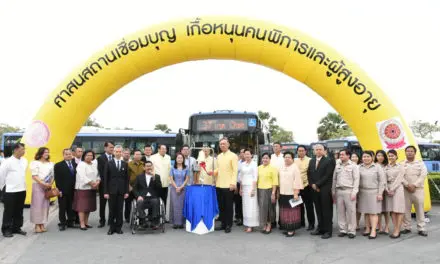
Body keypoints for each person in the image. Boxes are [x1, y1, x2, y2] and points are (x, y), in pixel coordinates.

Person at [308, 144, 335, 239]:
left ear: (324, 151)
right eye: (316, 149)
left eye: (320, 149)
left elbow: (327, 175)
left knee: (326, 210)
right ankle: (320, 228)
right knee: (318, 210)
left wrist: (317, 184)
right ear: (314, 151)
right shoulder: (311, 161)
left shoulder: (329, 161)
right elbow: (309, 174)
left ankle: (328, 231)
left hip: (325, 189)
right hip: (314, 189)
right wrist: (312, 184)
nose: (318, 151)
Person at [0, 143, 27, 238]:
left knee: (19, 210)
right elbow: (1, 175)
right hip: (10, 190)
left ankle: (17, 227)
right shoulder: (8, 162)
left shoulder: (24, 161)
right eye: (22, 149)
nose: (24, 151)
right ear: (15, 150)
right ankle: (6, 229)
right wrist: (2, 188)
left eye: (24, 149)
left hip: (22, 189)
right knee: (9, 211)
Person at [332, 149, 360, 239]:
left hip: (349, 191)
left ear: (348, 156)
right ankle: (342, 230)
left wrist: (354, 192)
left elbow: (356, 179)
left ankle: (352, 230)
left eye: (343, 155)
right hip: (339, 190)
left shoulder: (354, 166)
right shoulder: (337, 166)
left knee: (351, 212)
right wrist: (333, 191)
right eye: (340, 155)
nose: (341, 156)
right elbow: (334, 179)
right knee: (340, 211)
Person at [358, 150, 386, 239]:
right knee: (365, 212)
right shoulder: (359, 167)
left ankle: (373, 230)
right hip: (362, 192)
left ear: (372, 158)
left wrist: (380, 193)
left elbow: (382, 181)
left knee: (373, 212)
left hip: (374, 192)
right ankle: (367, 228)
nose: (365, 158)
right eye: (364, 157)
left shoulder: (377, 167)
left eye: (368, 156)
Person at [401, 145, 428, 237]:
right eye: (407, 151)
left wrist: (414, 185)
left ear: (415, 153)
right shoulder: (402, 163)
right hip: (406, 190)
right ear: (405, 152)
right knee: (406, 210)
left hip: (418, 190)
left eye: (411, 151)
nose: (409, 152)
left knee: (420, 210)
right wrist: (407, 185)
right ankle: (407, 227)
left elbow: (423, 175)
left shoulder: (420, 163)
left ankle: (421, 228)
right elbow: (400, 176)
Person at [213, 138, 238, 233]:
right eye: (220, 144)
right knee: (221, 206)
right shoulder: (219, 156)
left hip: (228, 185)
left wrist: (233, 183)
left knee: (228, 206)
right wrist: (212, 172)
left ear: (228, 145)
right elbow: (218, 169)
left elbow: (235, 171)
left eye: (224, 144)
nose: (222, 145)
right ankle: (223, 224)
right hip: (219, 184)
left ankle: (228, 225)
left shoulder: (233, 156)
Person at [103, 145, 129, 235]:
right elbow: (105, 178)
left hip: (121, 191)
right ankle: (111, 227)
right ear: (113, 152)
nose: (118, 153)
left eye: (120, 152)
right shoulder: (108, 163)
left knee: (120, 209)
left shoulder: (125, 164)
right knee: (111, 210)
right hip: (111, 191)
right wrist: (105, 192)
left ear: (122, 153)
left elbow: (127, 179)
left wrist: (126, 191)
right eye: (116, 151)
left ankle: (119, 227)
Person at [73, 150, 100, 230]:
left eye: (91, 155)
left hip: (92, 188)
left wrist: (98, 182)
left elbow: (98, 175)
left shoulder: (93, 164)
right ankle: (82, 224)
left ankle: (86, 222)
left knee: (88, 207)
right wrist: (92, 183)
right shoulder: (81, 164)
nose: (89, 157)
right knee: (82, 207)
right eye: (87, 155)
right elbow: (82, 176)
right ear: (84, 156)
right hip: (82, 188)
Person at [30, 147, 54, 233]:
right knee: (37, 206)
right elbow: (34, 176)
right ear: (40, 154)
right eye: (45, 152)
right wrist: (43, 184)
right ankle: (37, 225)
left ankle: (42, 224)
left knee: (45, 206)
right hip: (38, 186)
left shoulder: (51, 164)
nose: (47, 154)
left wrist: (50, 184)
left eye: (48, 152)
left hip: (47, 186)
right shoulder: (34, 163)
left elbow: (52, 176)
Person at [278, 151, 303, 237]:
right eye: (285, 157)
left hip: (291, 193)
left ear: (292, 159)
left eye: (289, 157)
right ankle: (287, 227)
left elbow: (297, 181)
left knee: (292, 212)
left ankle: (291, 229)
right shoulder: (281, 167)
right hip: (282, 193)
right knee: (284, 211)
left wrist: (296, 193)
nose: (287, 159)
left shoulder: (295, 168)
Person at [133, 161, 162, 228]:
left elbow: (159, 188)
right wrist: (138, 196)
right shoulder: (139, 177)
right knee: (139, 201)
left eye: (150, 166)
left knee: (155, 201)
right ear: (144, 168)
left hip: (153, 196)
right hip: (142, 197)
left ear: (152, 167)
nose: (149, 167)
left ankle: (154, 222)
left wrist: (154, 177)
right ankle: (143, 221)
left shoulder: (157, 176)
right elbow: (135, 189)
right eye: (147, 166)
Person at [54, 149, 77, 231]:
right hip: (62, 191)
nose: (68, 155)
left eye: (70, 154)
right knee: (62, 207)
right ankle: (62, 223)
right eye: (66, 154)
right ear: (63, 155)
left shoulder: (75, 164)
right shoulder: (58, 165)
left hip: (73, 190)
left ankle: (71, 222)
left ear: (72, 154)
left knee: (71, 207)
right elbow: (57, 179)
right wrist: (59, 190)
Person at [384, 149, 406, 239]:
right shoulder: (386, 167)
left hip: (397, 188)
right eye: (389, 155)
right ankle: (395, 229)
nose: (390, 157)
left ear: (396, 156)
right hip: (388, 189)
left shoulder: (401, 166)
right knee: (392, 210)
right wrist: (386, 189)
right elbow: (383, 179)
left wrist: (392, 189)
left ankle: (397, 230)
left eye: (392, 155)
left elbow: (399, 178)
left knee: (399, 209)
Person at [294, 145, 315, 231]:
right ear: (297, 152)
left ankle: (311, 224)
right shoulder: (294, 161)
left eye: (302, 151)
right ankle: (301, 222)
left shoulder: (310, 160)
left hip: (307, 186)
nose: (301, 152)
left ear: (305, 151)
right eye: (299, 151)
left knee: (309, 206)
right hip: (297, 187)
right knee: (299, 206)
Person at [257, 153, 278, 234]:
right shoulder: (258, 168)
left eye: (266, 158)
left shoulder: (273, 169)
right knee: (262, 208)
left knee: (269, 208)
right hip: (260, 190)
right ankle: (264, 224)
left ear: (269, 159)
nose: (265, 160)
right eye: (263, 158)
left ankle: (269, 225)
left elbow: (275, 182)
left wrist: (273, 193)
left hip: (269, 190)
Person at [239, 149, 259, 233]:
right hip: (244, 186)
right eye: (245, 154)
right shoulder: (242, 164)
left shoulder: (254, 164)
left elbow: (255, 177)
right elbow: (241, 177)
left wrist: (253, 189)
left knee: (252, 206)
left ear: (251, 155)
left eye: (248, 154)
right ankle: (247, 223)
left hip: (251, 186)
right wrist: (240, 188)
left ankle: (251, 225)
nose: (246, 156)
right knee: (246, 206)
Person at [151, 144, 171, 218]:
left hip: (165, 183)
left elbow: (169, 169)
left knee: (164, 200)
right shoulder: (153, 157)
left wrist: (170, 180)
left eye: (165, 149)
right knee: (155, 200)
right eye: (162, 149)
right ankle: (154, 216)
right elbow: (151, 169)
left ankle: (163, 216)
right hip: (156, 183)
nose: (164, 150)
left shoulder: (168, 157)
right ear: (158, 149)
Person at [97, 141, 114, 228]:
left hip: (114, 186)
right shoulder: (100, 158)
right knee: (103, 204)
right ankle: (102, 220)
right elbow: (101, 173)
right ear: (105, 148)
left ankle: (111, 220)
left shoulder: (115, 157)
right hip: (103, 185)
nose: (112, 149)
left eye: (112, 147)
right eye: (110, 147)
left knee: (112, 204)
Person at [169, 153, 189, 229]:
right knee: (175, 205)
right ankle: (175, 223)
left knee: (182, 205)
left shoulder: (186, 168)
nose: (180, 159)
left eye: (181, 158)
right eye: (178, 158)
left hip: (183, 188)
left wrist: (181, 187)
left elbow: (187, 179)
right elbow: (171, 178)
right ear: (176, 159)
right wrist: (176, 187)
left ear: (183, 159)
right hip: (174, 188)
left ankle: (181, 223)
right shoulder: (172, 168)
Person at [126, 150, 144, 223]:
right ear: (133, 155)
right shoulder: (128, 164)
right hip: (131, 186)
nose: (138, 156)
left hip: (140, 188)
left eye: (139, 154)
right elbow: (126, 176)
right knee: (128, 203)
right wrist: (128, 186)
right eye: (136, 154)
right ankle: (127, 217)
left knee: (140, 202)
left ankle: (140, 216)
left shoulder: (143, 164)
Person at [375, 150, 390, 235]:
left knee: (386, 210)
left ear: (384, 157)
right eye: (378, 155)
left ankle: (387, 227)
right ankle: (380, 227)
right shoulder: (374, 166)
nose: (380, 157)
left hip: (386, 191)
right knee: (378, 210)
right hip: (377, 190)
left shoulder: (387, 166)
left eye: (381, 155)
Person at [234, 148, 245, 226]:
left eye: (243, 153)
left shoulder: (251, 163)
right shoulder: (237, 163)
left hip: (247, 185)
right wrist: (235, 185)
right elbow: (235, 174)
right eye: (240, 152)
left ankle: (246, 218)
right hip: (238, 184)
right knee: (238, 202)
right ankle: (238, 217)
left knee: (245, 202)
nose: (241, 154)